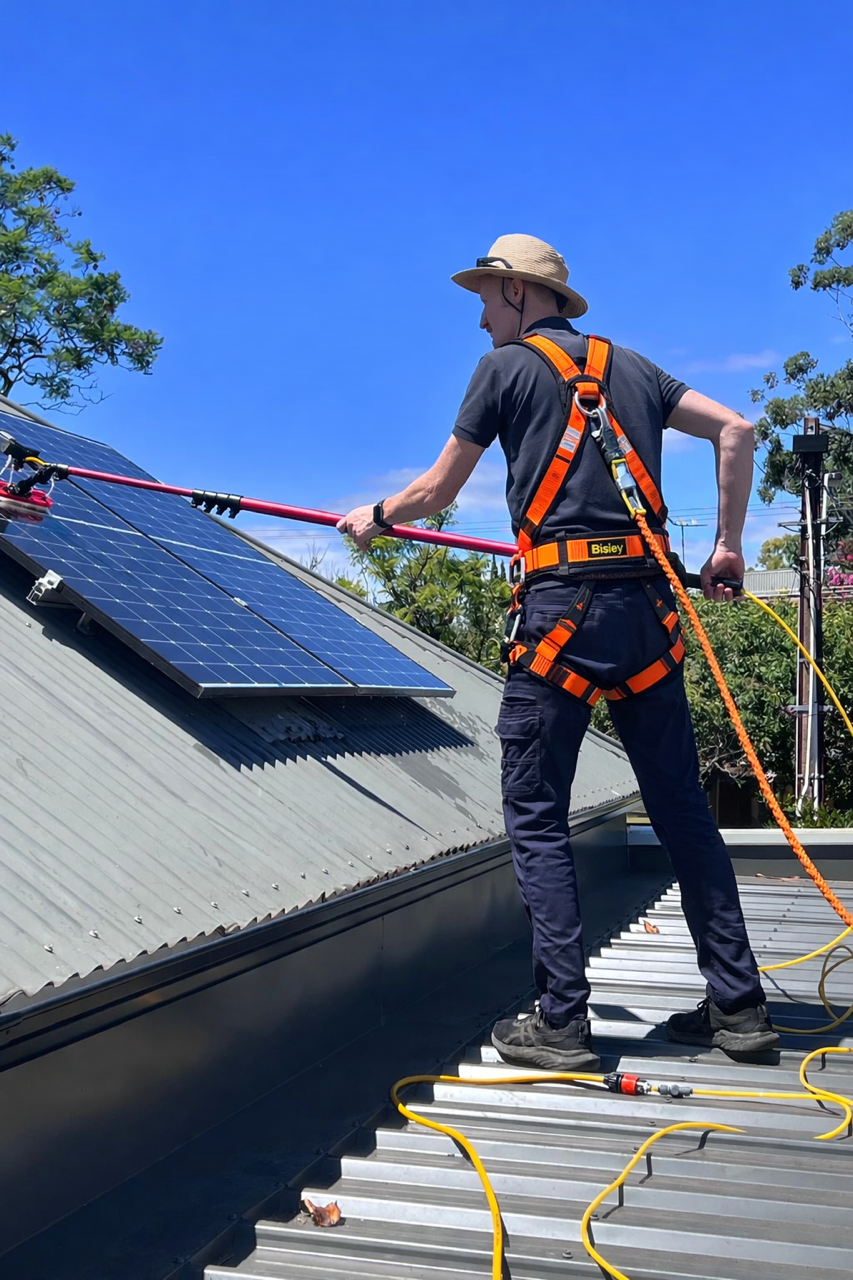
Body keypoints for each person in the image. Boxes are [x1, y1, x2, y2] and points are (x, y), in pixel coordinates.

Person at [337, 234, 780, 1069]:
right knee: (681, 810)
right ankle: (739, 1010)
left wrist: (377, 515)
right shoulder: (635, 368)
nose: (479, 319)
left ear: (515, 292)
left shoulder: (501, 370)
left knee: (537, 813)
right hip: (646, 615)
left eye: (484, 299)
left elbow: (438, 489)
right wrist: (727, 546)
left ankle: (562, 1022)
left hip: (558, 619)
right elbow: (736, 428)